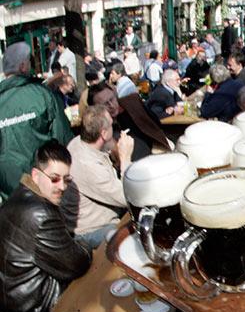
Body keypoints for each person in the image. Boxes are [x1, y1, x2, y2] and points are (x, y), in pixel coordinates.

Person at [0, 140, 91, 312]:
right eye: (54, 178)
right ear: (36, 174)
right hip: (33, 311)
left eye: (66, 179)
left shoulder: (19, 194)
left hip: (11, 302)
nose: (62, 186)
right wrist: (85, 247)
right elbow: (78, 264)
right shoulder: (41, 213)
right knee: (94, 283)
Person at [0, 42, 73, 202]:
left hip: (10, 196)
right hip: (45, 190)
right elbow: (65, 140)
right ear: (23, 66)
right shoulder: (42, 95)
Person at [62, 106, 134, 250]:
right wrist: (126, 157)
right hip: (92, 231)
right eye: (111, 123)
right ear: (103, 133)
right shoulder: (87, 165)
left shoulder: (79, 142)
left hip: (102, 218)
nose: (114, 124)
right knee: (135, 237)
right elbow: (129, 197)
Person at [88, 82, 170, 161]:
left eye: (112, 99)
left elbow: (155, 122)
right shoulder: (100, 130)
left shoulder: (131, 106)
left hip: (153, 155)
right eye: (105, 104)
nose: (112, 106)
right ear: (95, 109)